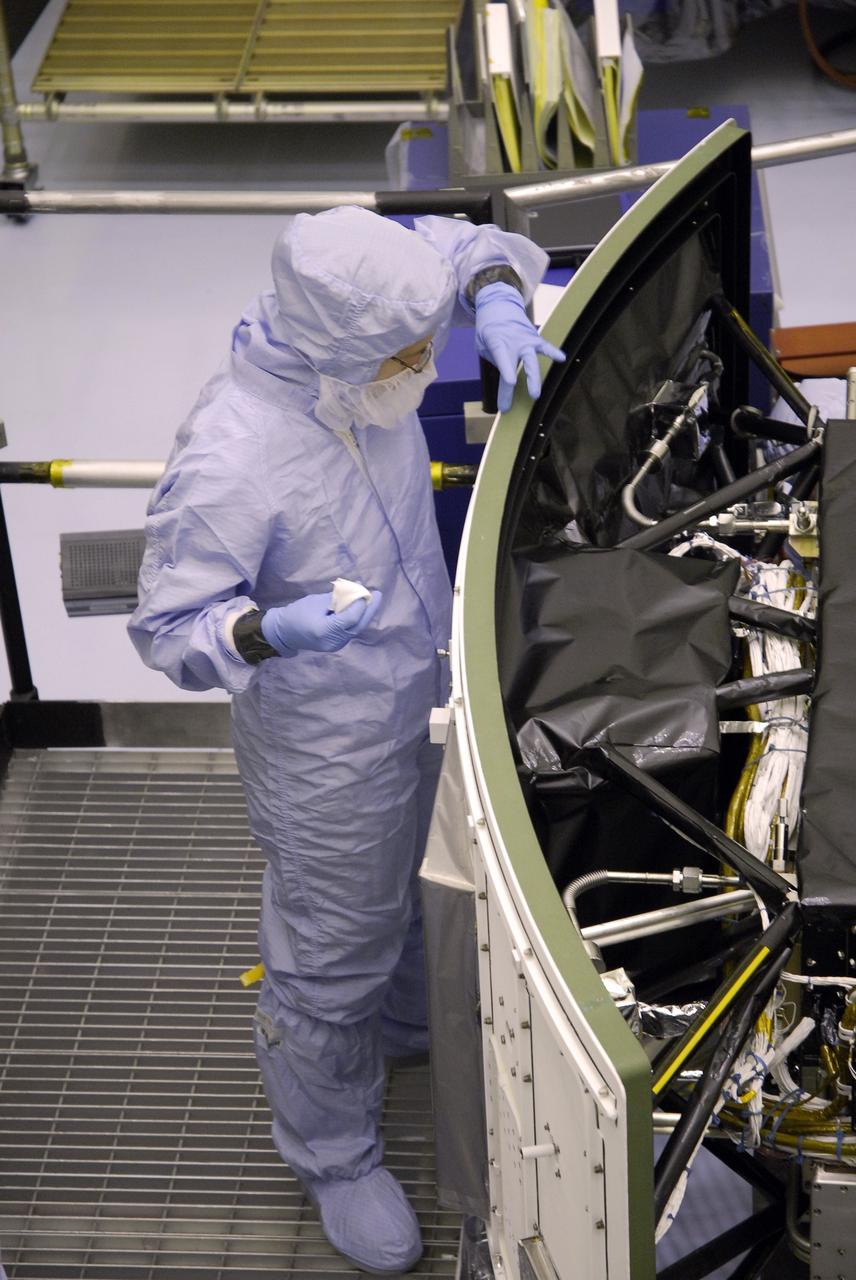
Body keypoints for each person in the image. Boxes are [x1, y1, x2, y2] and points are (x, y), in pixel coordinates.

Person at [129, 207, 564, 1273]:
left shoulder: (354, 289)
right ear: (344, 354)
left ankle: (409, 1022)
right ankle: (331, 1150)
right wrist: (266, 628)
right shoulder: (236, 452)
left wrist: (499, 296)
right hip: (329, 745)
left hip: (423, 686)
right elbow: (167, 625)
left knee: (431, 877)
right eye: (408, 358)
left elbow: (458, 248)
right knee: (333, 948)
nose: (427, 366)